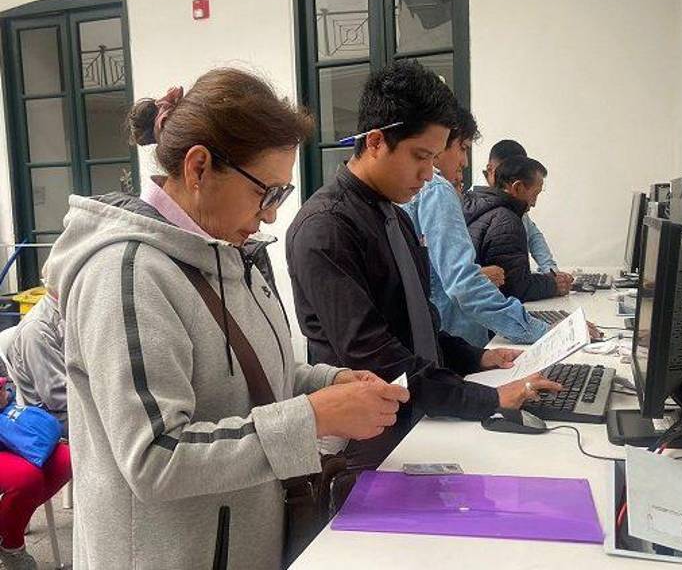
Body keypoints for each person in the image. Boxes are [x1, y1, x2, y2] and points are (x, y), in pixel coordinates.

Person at [43, 68, 408, 569]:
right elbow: (155, 457)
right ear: (198, 168)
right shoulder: (127, 274)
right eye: (268, 192)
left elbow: (245, 375)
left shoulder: (227, 253)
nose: (272, 214)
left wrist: (329, 381)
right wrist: (315, 416)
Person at [286, 61, 560, 465]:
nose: (429, 173)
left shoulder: (394, 214)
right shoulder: (326, 228)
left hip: (417, 415)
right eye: (419, 156)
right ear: (376, 142)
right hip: (368, 441)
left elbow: (420, 325)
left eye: (434, 158)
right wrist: (490, 398)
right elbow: (377, 357)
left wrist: (477, 357)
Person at [401, 106, 550, 347]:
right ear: (440, 144)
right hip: (458, 338)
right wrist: (542, 331)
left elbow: (437, 273)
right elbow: (461, 284)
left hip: (443, 337)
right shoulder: (438, 190)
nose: (465, 161)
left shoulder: (423, 192)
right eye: (463, 148)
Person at [465, 155, 569, 302]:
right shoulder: (507, 220)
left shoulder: (478, 207)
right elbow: (515, 288)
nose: (534, 203)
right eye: (535, 194)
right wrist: (554, 284)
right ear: (517, 187)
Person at [0, 381, 72, 570]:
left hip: (9, 429)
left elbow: (9, 383)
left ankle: (9, 523)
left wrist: (6, 393)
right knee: (26, 477)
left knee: (66, 459)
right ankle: (11, 544)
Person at [484, 140, 569, 280]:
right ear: (490, 169)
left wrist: (552, 272)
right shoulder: (478, 205)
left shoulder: (515, 206)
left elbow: (534, 237)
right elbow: (515, 284)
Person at [4, 292, 68, 436]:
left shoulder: (66, 312)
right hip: (55, 417)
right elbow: (57, 398)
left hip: (68, 406)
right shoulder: (37, 329)